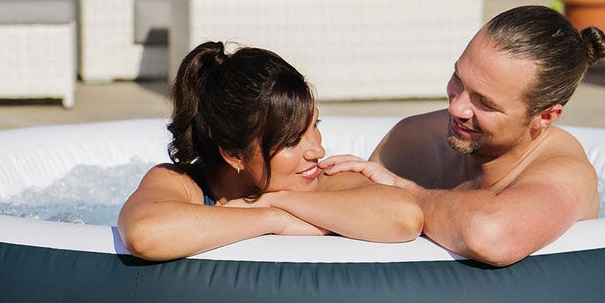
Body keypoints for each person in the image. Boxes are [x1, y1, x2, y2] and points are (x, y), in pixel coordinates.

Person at [322, 4, 605, 266]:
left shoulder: (567, 173)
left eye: (484, 102)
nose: (456, 107)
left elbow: (490, 234)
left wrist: (404, 191)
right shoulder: (415, 139)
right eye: (458, 78)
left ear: (544, 117)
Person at [118, 41, 423, 261]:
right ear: (234, 155)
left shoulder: (316, 181)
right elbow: (145, 234)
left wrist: (274, 200)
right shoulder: (182, 184)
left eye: (315, 125)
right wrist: (273, 219)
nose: (317, 149)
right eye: (292, 141)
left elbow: (405, 217)